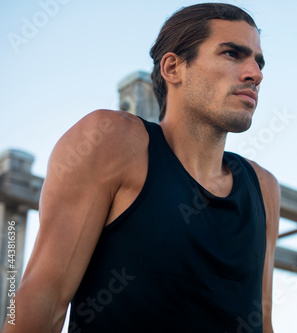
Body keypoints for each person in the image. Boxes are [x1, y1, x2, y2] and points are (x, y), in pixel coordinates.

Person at [2, 3, 280, 333]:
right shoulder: (111, 141)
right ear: (174, 68)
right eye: (233, 54)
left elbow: (262, 321)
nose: (256, 74)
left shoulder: (263, 188)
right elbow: (40, 297)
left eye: (258, 62)